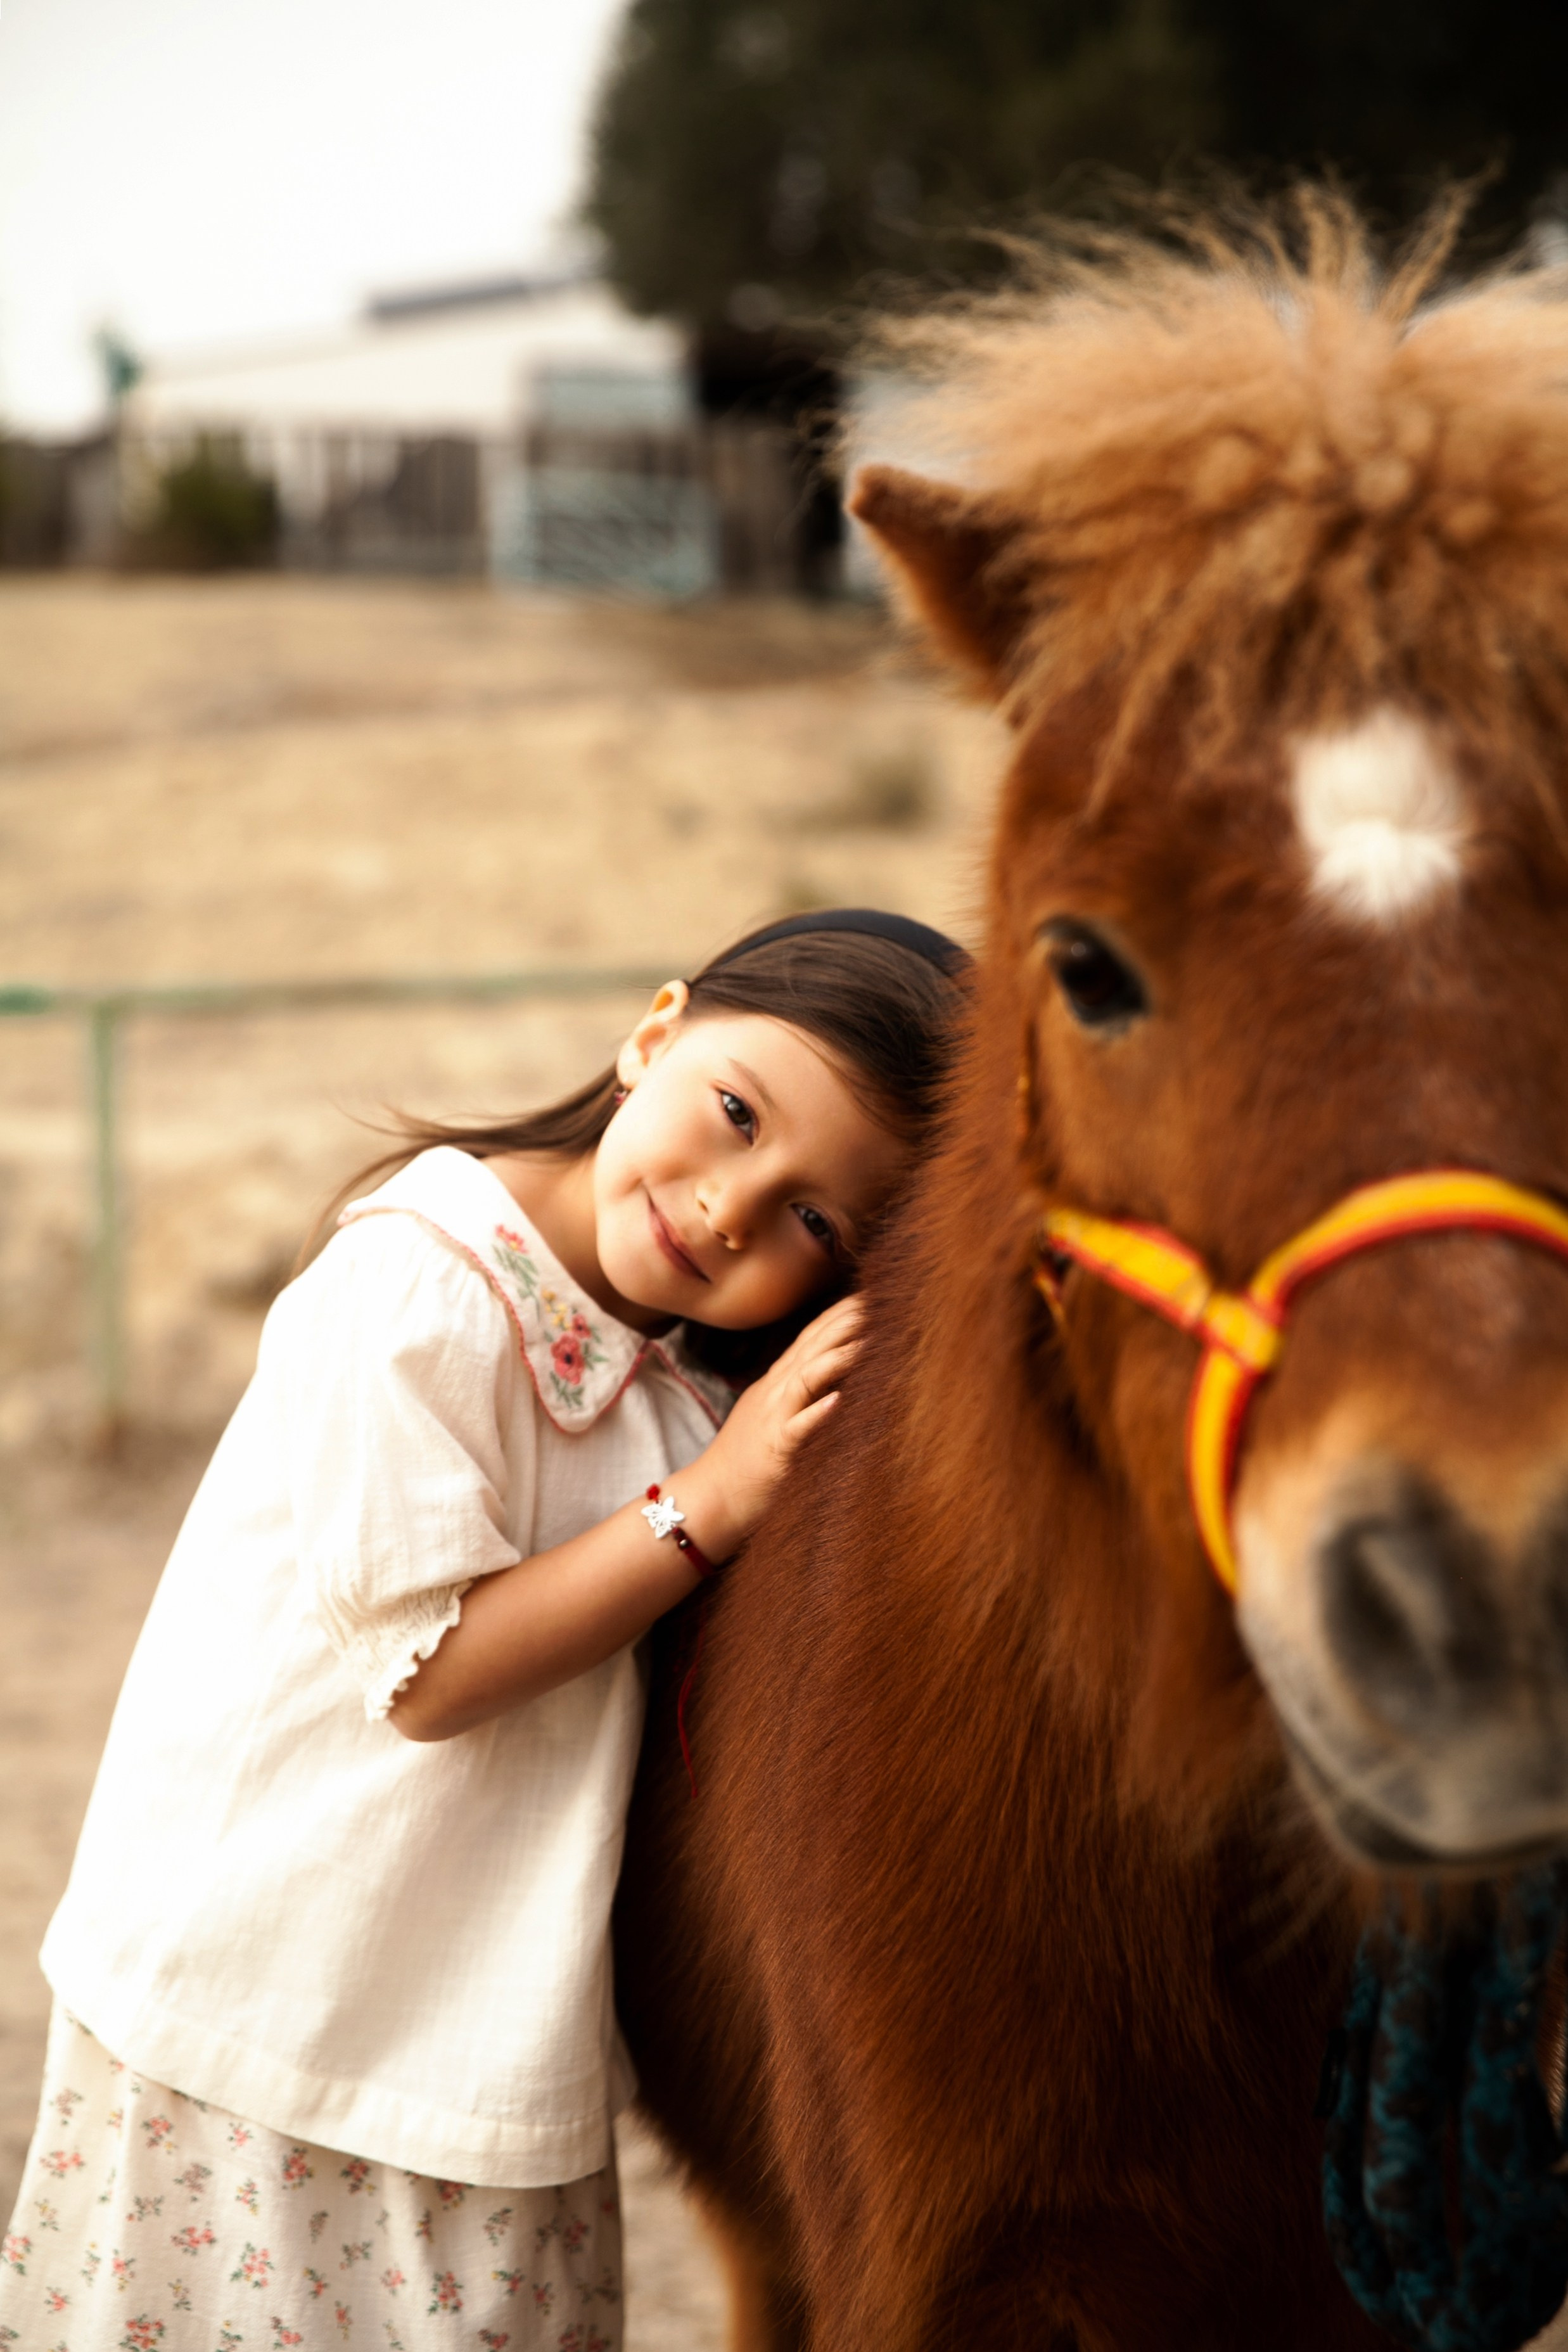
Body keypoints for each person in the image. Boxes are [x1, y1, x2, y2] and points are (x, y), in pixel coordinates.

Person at [0, 909, 968, 2352]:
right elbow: (431, 1672)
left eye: (813, 1220)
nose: (730, 1206)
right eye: (734, 1112)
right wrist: (710, 1501)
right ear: (653, 1028)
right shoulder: (422, 1287)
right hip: (271, 2019)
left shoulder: (679, 1397)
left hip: (474, 2035)